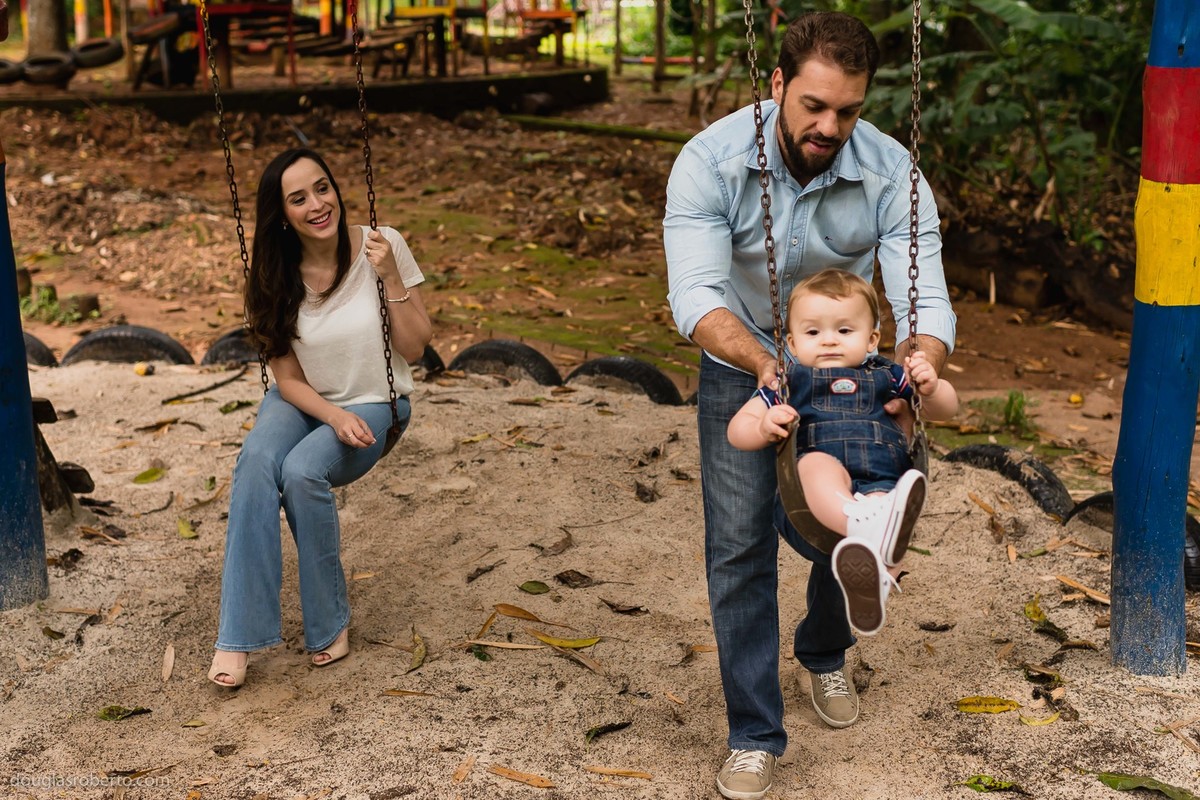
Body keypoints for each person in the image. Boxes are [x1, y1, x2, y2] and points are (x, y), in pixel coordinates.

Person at [663, 11, 957, 799]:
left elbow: (923, 289)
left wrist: (920, 363)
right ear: (777, 84)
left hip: (847, 362)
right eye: (814, 107)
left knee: (855, 517)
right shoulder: (711, 161)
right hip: (745, 360)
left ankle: (824, 652)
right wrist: (765, 363)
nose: (830, 126)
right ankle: (755, 733)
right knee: (738, 547)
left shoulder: (892, 171)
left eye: (849, 111)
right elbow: (693, 295)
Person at [207, 148, 433, 688]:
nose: (317, 204)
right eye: (298, 198)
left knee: (303, 471)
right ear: (281, 214)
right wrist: (330, 415)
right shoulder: (272, 275)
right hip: (305, 399)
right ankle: (236, 637)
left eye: (323, 188)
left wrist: (390, 276)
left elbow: (416, 347)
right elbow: (287, 380)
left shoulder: (384, 244)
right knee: (258, 460)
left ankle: (329, 622)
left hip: (376, 402)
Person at [727, 269, 958, 635]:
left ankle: (873, 579)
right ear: (791, 342)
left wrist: (931, 386)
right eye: (813, 332)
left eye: (844, 330)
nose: (829, 341)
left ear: (872, 340)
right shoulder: (789, 383)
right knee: (816, 467)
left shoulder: (890, 376)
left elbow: (947, 409)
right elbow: (737, 431)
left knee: (892, 507)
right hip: (824, 475)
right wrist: (763, 424)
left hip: (882, 475)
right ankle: (861, 526)